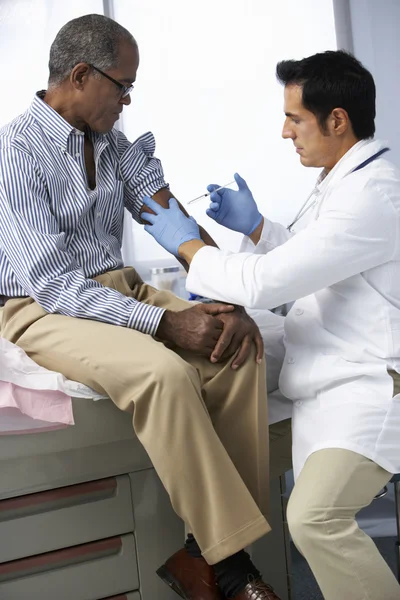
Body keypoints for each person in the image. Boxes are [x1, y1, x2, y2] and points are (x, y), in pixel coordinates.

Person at [0, 13, 293, 600]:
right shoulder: (15, 153)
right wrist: (164, 321)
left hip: (114, 288)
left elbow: (169, 215)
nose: (128, 100)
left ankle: (197, 556)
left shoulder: (113, 144)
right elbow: (54, 285)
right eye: (122, 86)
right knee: (164, 373)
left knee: (239, 346)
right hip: (42, 306)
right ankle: (232, 571)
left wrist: (223, 293)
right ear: (81, 75)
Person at [143, 50, 400, 599]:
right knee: (221, 437)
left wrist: (186, 242)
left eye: (295, 119)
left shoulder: (374, 195)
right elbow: (324, 265)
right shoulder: (342, 181)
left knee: (314, 520)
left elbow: (266, 284)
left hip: (368, 387)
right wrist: (258, 227)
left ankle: (221, 569)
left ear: (337, 119)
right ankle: (209, 562)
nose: (284, 132)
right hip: (324, 377)